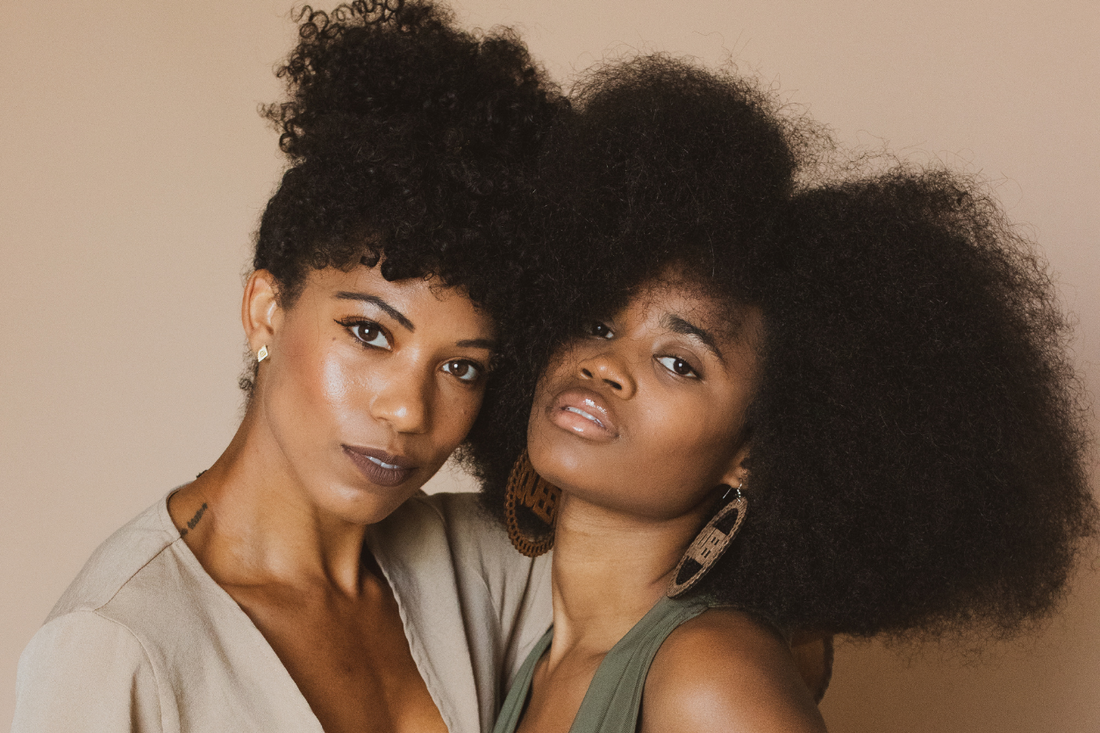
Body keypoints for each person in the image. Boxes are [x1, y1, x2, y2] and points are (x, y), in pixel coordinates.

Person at [474, 56, 1096, 733]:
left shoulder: (711, 678)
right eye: (599, 322)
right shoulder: (544, 662)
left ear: (753, 452)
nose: (607, 364)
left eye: (680, 361)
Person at [12, 2, 566, 732]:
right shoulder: (119, 646)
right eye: (369, 332)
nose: (407, 410)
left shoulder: (484, 568)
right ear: (265, 311)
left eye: (461, 368)